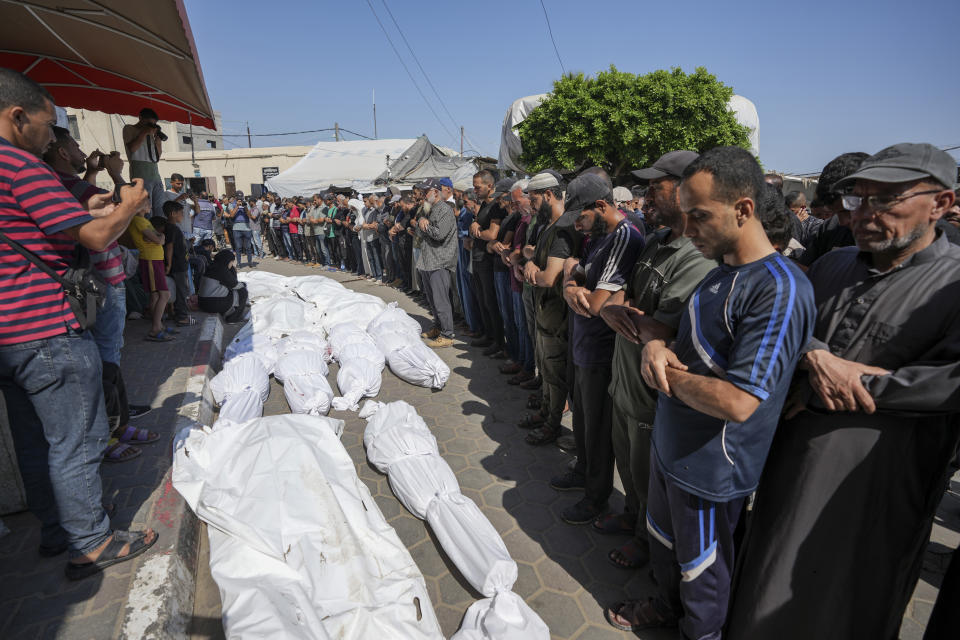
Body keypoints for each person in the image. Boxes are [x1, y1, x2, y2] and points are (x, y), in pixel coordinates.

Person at [726, 143, 960, 640]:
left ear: (941, 203)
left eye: (886, 200)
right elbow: (789, 320)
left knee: (848, 598)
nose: (865, 214)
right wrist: (813, 353)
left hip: (880, 479)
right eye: (858, 199)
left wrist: (866, 384)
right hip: (792, 460)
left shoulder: (954, 282)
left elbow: (949, 381)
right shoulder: (833, 264)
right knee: (766, 575)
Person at [607, 146, 815, 638]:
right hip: (671, 444)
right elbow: (672, 334)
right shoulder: (720, 271)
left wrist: (664, 372)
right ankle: (664, 606)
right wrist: (656, 344)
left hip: (711, 466)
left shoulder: (779, 287)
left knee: (703, 573)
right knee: (664, 545)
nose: (689, 226)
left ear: (744, 209)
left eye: (699, 216)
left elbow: (739, 401)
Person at [0, 68, 157, 579]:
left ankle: (56, 529)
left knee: (33, 441)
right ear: (17, 117)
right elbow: (93, 236)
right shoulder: (19, 166)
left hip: (9, 337)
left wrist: (93, 192)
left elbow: (62, 208)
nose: (52, 139)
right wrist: (127, 204)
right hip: (45, 328)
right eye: (48, 127)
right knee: (78, 439)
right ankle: (90, 540)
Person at [598, 150, 715, 572]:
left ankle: (648, 544)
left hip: (653, 393)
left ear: (686, 191)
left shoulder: (697, 255)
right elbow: (621, 298)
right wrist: (616, 308)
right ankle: (631, 517)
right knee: (628, 466)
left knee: (649, 476)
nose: (647, 195)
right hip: (625, 381)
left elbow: (661, 328)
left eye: (656, 186)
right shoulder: (654, 240)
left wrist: (617, 311)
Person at [41, 124, 158, 463]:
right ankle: (107, 432)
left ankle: (116, 425)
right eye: (75, 147)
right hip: (100, 283)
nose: (82, 152)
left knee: (108, 358)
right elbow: (134, 209)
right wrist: (117, 176)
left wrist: (93, 172)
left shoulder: (71, 185)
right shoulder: (63, 184)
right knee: (104, 361)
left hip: (99, 281)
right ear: (62, 152)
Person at [555, 174, 645, 525]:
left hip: (601, 353)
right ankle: (583, 472)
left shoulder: (626, 236)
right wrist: (570, 286)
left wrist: (575, 288)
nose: (577, 225)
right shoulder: (597, 236)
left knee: (597, 428)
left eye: (580, 216)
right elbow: (574, 276)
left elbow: (595, 303)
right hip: (582, 346)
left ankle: (596, 497)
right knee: (581, 419)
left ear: (602, 206)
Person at [521, 171, 581, 445]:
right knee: (545, 369)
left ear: (548, 195)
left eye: (533, 200)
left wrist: (532, 267)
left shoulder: (563, 229)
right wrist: (532, 260)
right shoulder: (549, 226)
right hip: (545, 312)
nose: (532, 206)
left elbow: (548, 277)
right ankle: (546, 411)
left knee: (555, 374)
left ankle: (553, 424)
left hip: (556, 318)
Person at [415, 178, 459, 347]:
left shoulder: (444, 210)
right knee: (432, 299)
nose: (423, 196)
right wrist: (422, 223)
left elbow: (439, 234)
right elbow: (419, 229)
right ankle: (438, 327)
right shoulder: (430, 209)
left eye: (426, 192)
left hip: (439, 261)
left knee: (441, 300)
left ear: (435, 192)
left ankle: (448, 334)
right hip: (428, 260)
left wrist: (424, 226)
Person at [469, 170, 505, 353]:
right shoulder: (483, 205)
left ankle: (498, 342)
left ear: (489, 186)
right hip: (478, 257)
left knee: (491, 302)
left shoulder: (496, 206)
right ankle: (488, 335)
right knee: (482, 300)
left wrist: (476, 231)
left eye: (478, 187)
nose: (475, 190)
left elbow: (492, 234)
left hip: (488, 260)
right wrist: (475, 227)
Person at [127, 200, 171, 341]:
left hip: (155, 259)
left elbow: (157, 238)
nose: (150, 206)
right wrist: (160, 237)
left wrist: (159, 237)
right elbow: (158, 240)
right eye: (147, 204)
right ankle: (155, 328)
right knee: (164, 294)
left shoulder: (144, 221)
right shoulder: (138, 221)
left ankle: (159, 326)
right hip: (150, 259)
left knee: (156, 296)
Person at [122, 107, 166, 218]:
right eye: (148, 123)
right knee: (146, 210)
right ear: (140, 118)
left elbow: (157, 157)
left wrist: (158, 141)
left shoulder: (151, 133)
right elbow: (132, 148)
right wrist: (144, 132)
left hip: (155, 175)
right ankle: (148, 233)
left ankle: (159, 233)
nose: (150, 126)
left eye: (153, 124)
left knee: (159, 209)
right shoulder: (129, 129)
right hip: (140, 175)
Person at [160, 200, 195, 325]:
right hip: (177, 266)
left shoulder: (172, 228)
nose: (183, 215)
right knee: (181, 291)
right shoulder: (172, 228)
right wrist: (168, 264)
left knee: (178, 290)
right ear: (172, 213)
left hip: (179, 264)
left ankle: (174, 313)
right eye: (181, 213)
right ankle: (182, 317)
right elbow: (169, 247)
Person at [197, 249, 249, 323]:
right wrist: (242, 283)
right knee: (242, 292)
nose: (232, 264)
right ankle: (233, 319)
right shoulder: (221, 270)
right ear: (227, 260)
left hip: (202, 303)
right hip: (211, 304)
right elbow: (235, 285)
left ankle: (227, 313)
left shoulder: (213, 266)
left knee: (231, 292)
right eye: (232, 262)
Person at [162, 173, 195, 243]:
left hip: (187, 230)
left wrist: (195, 201)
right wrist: (179, 198)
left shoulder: (183, 195)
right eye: (178, 184)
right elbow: (167, 208)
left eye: (182, 184)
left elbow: (195, 210)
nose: (180, 186)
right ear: (171, 182)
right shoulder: (166, 194)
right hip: (176, 229)